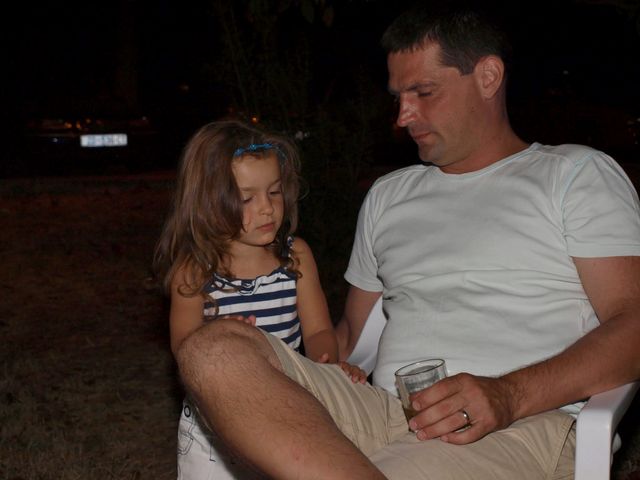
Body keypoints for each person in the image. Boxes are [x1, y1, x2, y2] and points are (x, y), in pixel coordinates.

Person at [174, 2, 640, 479]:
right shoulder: (388, 195)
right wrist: (265, 355)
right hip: (382, 411)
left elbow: (634, 327)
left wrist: (508, 395)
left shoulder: (574, 176)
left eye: (423, 92)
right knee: (213, 349)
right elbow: (348, 340)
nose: (403, 115)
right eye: (398, 96)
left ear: (487, 77)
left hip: (515, 425)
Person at [153, 120, 366, 479]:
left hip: (286, 411)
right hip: (214, 426)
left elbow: (318, 332)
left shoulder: (295, 258)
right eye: (247, 198)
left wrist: (326, 368)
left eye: (274, 192)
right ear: (208, 204)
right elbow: (183, 347)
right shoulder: (194, 273)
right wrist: (219, 340)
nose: (267, 208)